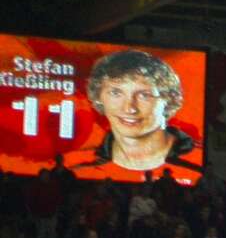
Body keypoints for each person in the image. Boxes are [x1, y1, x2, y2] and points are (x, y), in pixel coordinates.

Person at [66, 49, 202, 182]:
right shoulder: (77, 165)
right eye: (116, 93)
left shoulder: (198, 162)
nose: (129, 108)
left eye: (144, 95)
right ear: (99, 98)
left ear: (168, 100)